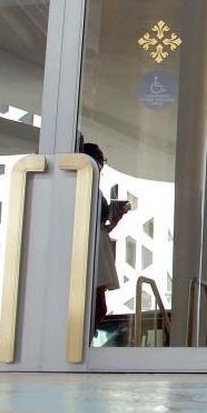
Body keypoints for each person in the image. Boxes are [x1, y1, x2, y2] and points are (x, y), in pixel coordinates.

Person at [81, 142, 129, 338]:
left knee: (96, 305)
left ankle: (86, 337)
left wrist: (113, 220)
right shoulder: (82, 186)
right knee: (96, 305)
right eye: (99, 160)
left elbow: (101, 227)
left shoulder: (96, 189)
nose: (101, 165)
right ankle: (84, 337)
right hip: (91, 248)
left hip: (98, 246)